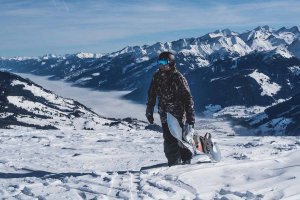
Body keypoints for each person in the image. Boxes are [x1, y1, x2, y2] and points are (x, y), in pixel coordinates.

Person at [146, 51, 195, 166]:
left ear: (171, 63)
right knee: (175, 138)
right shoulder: (157, 76)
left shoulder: (178, 78)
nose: (161, 65)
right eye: (159, 62)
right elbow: (151, 94)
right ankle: (186, 156)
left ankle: (174, 166)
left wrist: (190, 119)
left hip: (177, 114)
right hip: (164, 114)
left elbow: (188, 99)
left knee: (170, 140)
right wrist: (149, 110)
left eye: (164, 62)